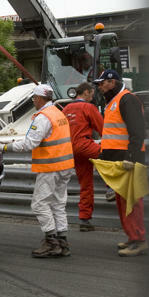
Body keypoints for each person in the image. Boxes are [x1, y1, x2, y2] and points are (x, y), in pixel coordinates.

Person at [0, 83, 74, 258]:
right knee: (57, 204)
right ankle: (62, 241)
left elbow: (29, 143)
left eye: (34, 98)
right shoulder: (58, 112)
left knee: (39, 204)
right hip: (65, 166)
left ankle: (51, 242)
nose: (33, 101)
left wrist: (1, 146)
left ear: (40, 98)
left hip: (51, 167)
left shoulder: (43, 117)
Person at [94, 69, 148, 257]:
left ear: (112, 82)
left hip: (128, 161)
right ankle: (132, 237)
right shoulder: (113, 102)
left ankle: (139, 240)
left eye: (101, 83)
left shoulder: (127, 100)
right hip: (118, 161)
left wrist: (130, 158)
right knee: (123, 202)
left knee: (131, 202)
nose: (99, 87)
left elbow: (138, 132)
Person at [61, 82, 103, 231]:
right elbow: (103, 128)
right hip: (84, 145)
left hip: (70, 149)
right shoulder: (88, 107)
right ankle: (111, 187)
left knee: (85, 184)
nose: (92, 97)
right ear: (85, 92)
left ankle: (84, 220)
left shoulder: (66, 109)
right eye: (91, 94)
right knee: (111, 156)